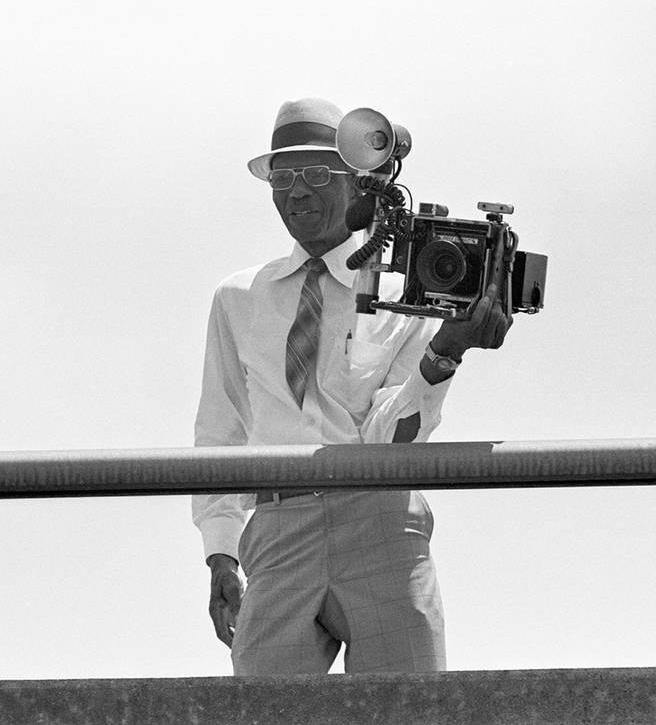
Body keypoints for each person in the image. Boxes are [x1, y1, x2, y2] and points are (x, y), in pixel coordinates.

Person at [192, 97, 511, 675]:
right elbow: (220, 430)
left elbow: (393, 439)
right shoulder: (237, 298)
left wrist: (447, 348)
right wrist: (219, 551)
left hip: (380, 519)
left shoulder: (402, 293)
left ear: (358, 184)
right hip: (277, 523)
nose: (297, 192)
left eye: (316, 174)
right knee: (264, 718)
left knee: (411, 713)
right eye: (283, 177)